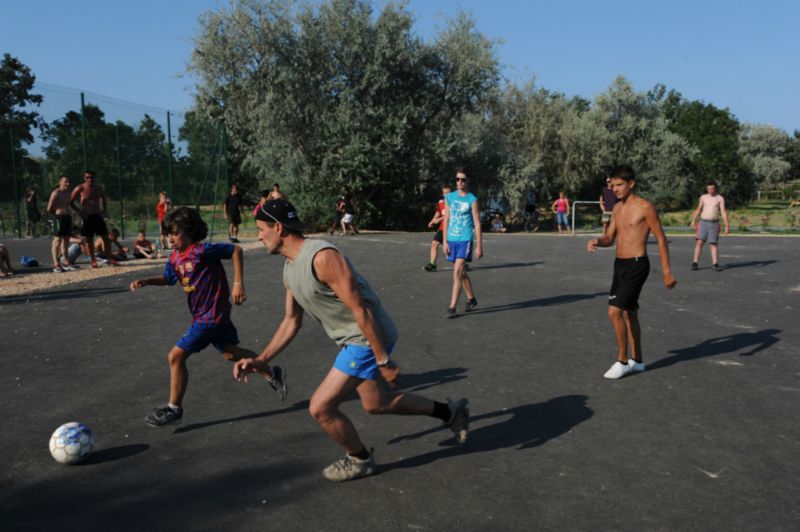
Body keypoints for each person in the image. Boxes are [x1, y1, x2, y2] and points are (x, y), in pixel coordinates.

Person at [232, 199, 470, 482]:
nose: (258, 235)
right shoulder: (289, 267)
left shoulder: (322, 257)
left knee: (320, 407)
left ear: (278, 228)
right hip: (353, 339)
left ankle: (360, 459)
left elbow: (361, 308)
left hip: (366, 337)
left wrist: (382, 359)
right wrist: (261, 359)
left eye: (261, 229)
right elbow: (291, 321)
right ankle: (450, 411)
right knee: (375, 403)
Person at [129, 206, 287, 427]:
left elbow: (235, 251)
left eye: (175, 232)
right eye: (168, 233)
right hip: (206, 317)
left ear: (190, 230)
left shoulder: (201, 251)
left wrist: (238, 283)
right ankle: (271, 371)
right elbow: (168, 278)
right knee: (231, 355)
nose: (171, 238)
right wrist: (147, 281)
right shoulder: (175, 257)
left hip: (211, 317)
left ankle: (174, 408)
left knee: (175, 356)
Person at [587, 165, 677, 379]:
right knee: (629, 312)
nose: (615, 189)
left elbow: (662, 239)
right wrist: (597, 241)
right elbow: (609, 238)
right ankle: (638, 361)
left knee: (614, 311)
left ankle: (622, 360)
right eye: (612, 186)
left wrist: (667, 272)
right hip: (619, 265)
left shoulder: (645, 207)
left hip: (637, 265)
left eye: (619, 185)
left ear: (631, 184)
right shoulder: (617, 208)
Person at [443, 169, 482, 318]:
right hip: (451, 240)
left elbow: (477, 223)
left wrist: (479, 245)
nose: (460, 182)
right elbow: (446, 219)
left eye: (463, 180)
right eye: (457, 179)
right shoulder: (450, 198)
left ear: (468, 181)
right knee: (462, 273)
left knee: (457, 271)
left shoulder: (472, 199)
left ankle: (452, 307)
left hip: (465, 239)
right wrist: (445, 241)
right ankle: (471, 298)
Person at [70, 170, 118, 268]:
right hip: (87, 217)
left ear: (94, 178)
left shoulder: (98, 188)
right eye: (87, 177)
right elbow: (71, 202)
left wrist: (104, 210)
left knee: (106, 237)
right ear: (84, 178)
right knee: (89, 240)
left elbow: (104, 199)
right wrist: (79, 211)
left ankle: (109, 259)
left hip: (97, 215)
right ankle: (93, 260)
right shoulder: (80, 188)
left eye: (91, 177)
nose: (90, 179)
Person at [690, 182, 730, 272]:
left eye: (712, 188)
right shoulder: (703, 197)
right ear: (707, 189)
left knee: (713, 243)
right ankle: (695, 263)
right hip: (703, 222)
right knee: (699, 242)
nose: (710, 190)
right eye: (709, 188)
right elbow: (699, 209)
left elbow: (723, 211)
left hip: (714, 223)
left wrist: (727, 225)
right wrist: (693, 220)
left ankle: (715, 264)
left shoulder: (719, 198)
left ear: (715, 188)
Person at [47, 176, 75, 272]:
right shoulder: (56, 193)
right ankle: (56, 264)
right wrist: (56, 215)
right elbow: (49, 208)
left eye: (68, 182)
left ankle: (66, 262)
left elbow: (71, 204)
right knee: (58, 239)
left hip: (67, 217)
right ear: (60, 182)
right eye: (65, 182)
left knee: (66, 239)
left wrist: (79, 211)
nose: (67, 184)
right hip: (59, 218)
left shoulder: (69, 193)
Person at [423, 184, 452, 272]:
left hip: (452, 229)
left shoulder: (455, 203)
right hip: (442, 228)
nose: (446, 195)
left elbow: (450, 215)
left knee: (451, 249)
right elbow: (438, 211)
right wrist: (432, 220)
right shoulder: (441, 202)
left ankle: (463, 263)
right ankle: (432, 264)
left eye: (448, 193)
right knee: (434, 243)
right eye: (444, 193)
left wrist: (439, 219)